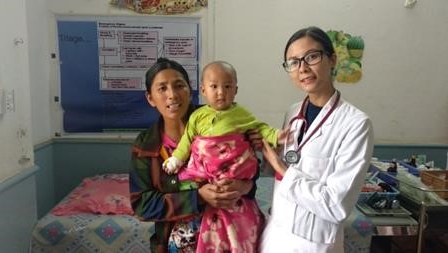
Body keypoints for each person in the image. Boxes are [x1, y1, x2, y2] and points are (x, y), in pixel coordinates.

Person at [259, 26, 374, 253]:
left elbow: (337, 205)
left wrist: (281, 167)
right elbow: (278, 171)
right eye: (293, 62)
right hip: (275, 236)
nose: (302, 68)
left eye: (311, 57)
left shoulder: (356, 124)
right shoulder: (293, 113)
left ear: (332, 59)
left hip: (314, 244)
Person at [129, 58, 257, 253]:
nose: (172, 95)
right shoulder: (146, 146)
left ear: (191, 90)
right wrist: (197, 198)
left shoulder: (225, 123)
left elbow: (250, 175)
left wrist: (244, 186)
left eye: (179, 86)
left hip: (233, 236)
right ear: (150, 98)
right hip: (177, 244)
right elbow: (142, 205)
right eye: (162, 89)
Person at [162, 61, 285, 253]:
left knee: (245, 222)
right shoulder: (198, 116)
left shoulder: (241, 114)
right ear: (203, 90)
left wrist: (276, 136)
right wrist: (176, 160)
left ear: (236, 90)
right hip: (201, 183)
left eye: (227, 86)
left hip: (234, 177)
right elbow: (187, 140)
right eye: (214, 86)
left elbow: (259, 128)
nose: (221, 92)